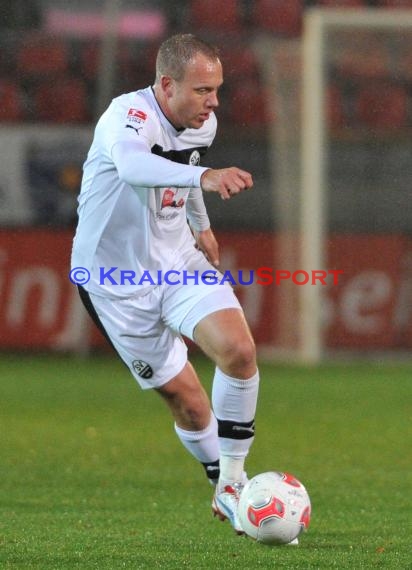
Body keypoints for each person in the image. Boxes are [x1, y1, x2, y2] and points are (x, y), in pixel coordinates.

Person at [71, 33, 259, 535]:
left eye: (216, 89)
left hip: (178, 262)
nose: (213, 102)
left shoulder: (203, 124)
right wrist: (205, 181)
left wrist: (202, 226)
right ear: (167, 85)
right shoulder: (125, 118)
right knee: (190, 404)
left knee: (239, 352)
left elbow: (185, 170)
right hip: (115, 280)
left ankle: (234, 486)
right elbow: (136, 167)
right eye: (202, 90)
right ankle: (221, 477)